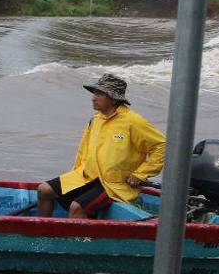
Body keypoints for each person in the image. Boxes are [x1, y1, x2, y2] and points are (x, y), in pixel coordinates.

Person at [36, 73, 165, 218]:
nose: (93, 98)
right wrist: (74, 174)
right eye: (94, 93)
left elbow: (161, 146)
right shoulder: (95, 120)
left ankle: (81, 232)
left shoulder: (133, 121)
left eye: (99, 94)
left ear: (114, 98)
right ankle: (42, 230)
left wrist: (140, 174)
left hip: (114, 184)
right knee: (44, 190)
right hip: (87, 176)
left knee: (76, 208)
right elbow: (83, 152)